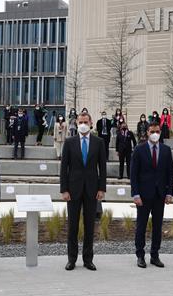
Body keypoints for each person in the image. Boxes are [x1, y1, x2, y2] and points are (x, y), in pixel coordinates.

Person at [60, 112, 107, 271]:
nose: (83, 124)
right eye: (80, 122)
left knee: (89, 226)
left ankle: (88, 259)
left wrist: (102, 188)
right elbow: (63, 168)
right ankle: (71, 259)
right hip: (73, 190)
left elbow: (102, 167)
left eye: (86, 121)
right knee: (72, 226)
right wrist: (64, 189)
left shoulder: (99, 142)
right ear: (76, 123)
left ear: (91, 122)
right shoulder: (69, 142)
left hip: (92, 190)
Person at [130, 122, 173, 268]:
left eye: (157, 131)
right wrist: (135, 194)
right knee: (141, 226)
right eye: (152, 131)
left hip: (159, 195)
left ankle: (155, 255)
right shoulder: (139, 149)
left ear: (160, 132)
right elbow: (133, 174)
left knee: (157, 226)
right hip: (143, 195)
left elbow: (170, 174)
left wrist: (169, 193)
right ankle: (140, 256)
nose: (155, 134)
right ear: (147, 133)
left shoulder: (166, 150)